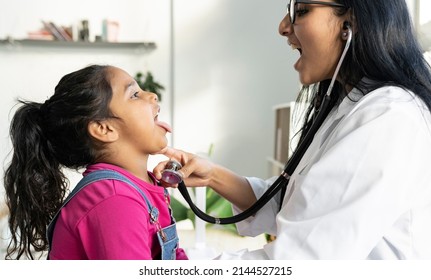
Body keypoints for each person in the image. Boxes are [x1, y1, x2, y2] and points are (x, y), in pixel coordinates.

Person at [153, 0, 431, 259]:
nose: (283, 26)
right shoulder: (349, 108)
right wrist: (213, 175)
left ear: (352, 21)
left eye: (301, 10)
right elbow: (299, 205)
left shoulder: (387, 118)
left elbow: (299, 261)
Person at [4, 64, 188, 260]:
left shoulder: (140, 187)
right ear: (104, 129)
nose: (152, 95)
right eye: (134, 94)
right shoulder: (114, 200)